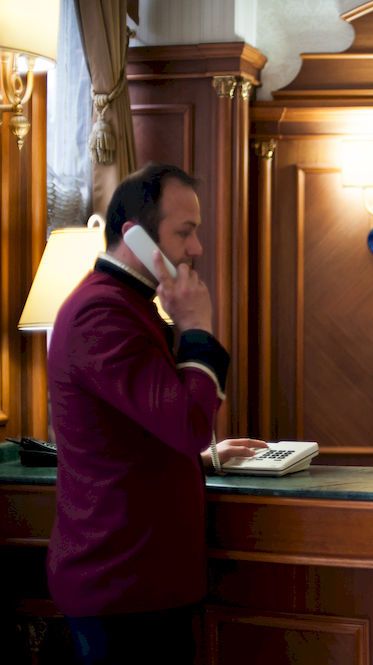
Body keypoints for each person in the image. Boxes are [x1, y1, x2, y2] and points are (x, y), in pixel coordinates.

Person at [46, 163, 267, 664]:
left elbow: (139, 432)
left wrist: (204, 462)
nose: (197, 249)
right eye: (184, 233)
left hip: (138, 580)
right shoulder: (101, 313)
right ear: (137, 237)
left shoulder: (128, 303)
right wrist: (196, 328)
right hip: (121, 582)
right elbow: (190, 425)